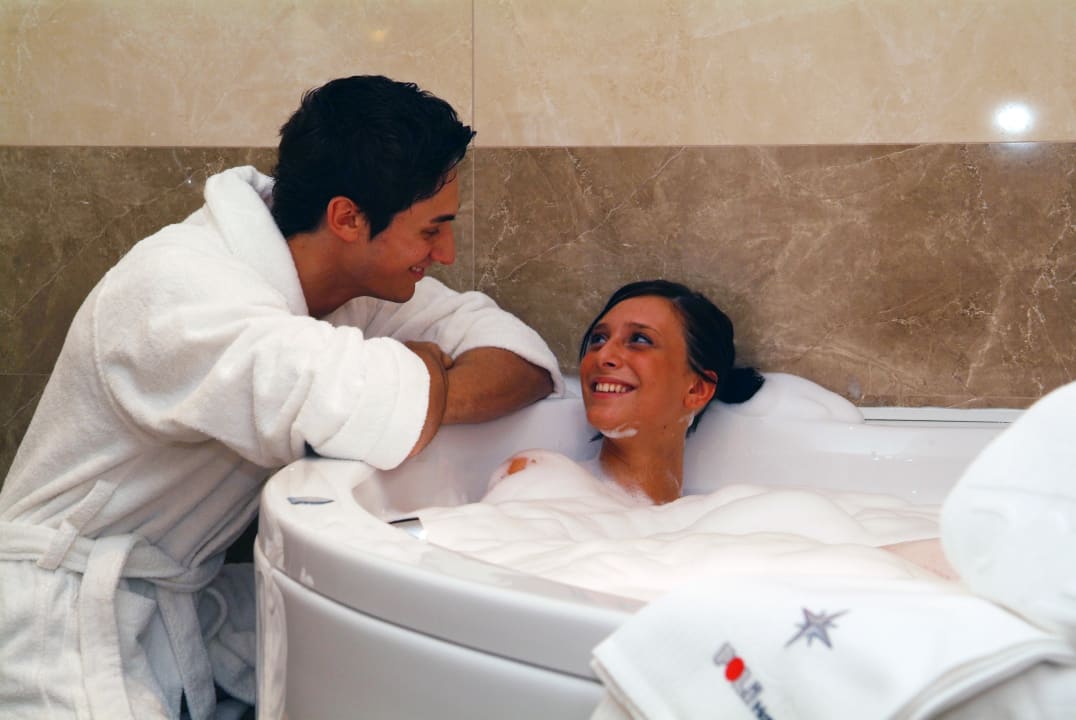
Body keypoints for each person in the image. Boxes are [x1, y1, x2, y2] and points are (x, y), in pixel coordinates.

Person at [0, 75, 562, 720]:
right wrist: (418, 373)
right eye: (432, 230)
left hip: (176, 603)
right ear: (347, 218)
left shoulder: (338, 284)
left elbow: (522, 359)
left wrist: (425, 380)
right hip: (56, 623)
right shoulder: (181, 290)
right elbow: (375, 412)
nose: (447, 253)